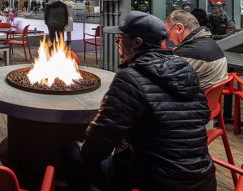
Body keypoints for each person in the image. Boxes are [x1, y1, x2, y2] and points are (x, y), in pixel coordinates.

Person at [65, 11, 215, 191]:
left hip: (159, 182)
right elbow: (203, 115)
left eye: (120, 38)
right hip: (203, 179)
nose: (118, 43)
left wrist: (87, 150)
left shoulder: (130, 78)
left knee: (72, 151)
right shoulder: (186, 71)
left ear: (136, 42)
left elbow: (98, 144)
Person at [165, 10, 228, 90]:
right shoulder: (210, 43)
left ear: (179, 28)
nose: (169, 39)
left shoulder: (188, 53)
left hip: (194, 96)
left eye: (168, 34)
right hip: (207, 94)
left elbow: (167, 80)